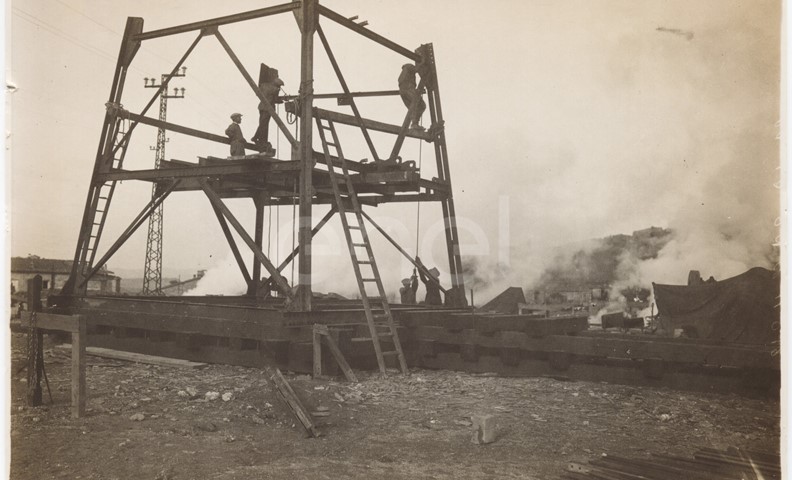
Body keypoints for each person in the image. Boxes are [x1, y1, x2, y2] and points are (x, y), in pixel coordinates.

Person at [251, 72, 285, 153]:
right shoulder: (276, 89)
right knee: (264, 125)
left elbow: (258, 94)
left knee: (262, 123)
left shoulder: (263, 85)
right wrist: (282, 101)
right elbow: (275, 99)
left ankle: (257, 138)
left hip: (261, 107)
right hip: (268, 109)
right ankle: (257, 138)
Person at [398, 63, 426, 130]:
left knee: (413, 107)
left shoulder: (404, 73)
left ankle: (414, 124)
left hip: (403, 91)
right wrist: (423, 62)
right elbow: (416, 69)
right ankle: (414, 124)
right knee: (421, 105)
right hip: (408, 89)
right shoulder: (408, 66)